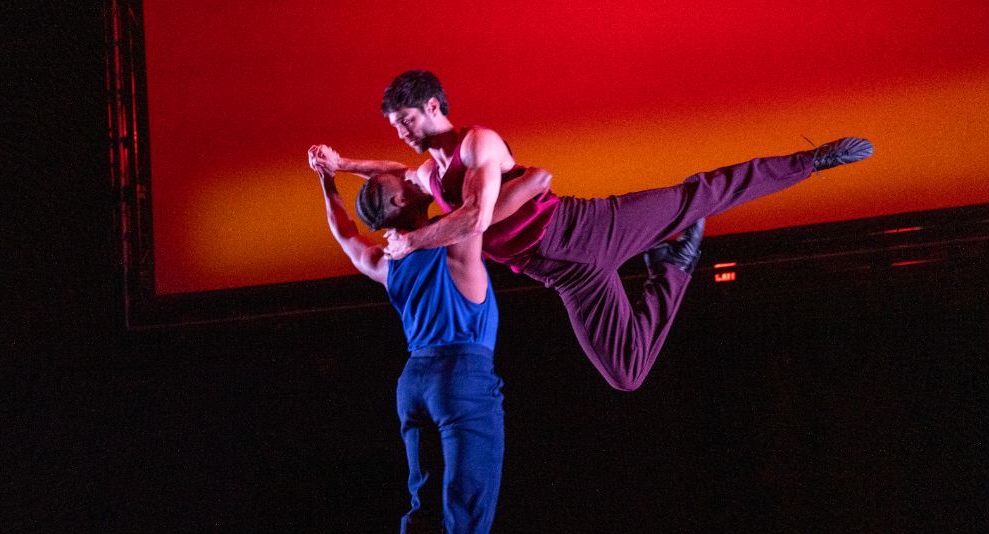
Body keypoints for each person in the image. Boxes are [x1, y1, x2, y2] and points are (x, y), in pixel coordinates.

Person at [311, 70, 874, 391]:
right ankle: (674, 267)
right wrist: (338, 166)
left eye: (406, 121)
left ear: (432, 106)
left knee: (700, 194)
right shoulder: (427, 173)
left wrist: (414, 240)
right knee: (626, 373)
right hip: (561, 275)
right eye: (395, 128)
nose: (403, 134)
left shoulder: (476, 143)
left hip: (585, 231)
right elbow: (387, 173)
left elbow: (478, 218)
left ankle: (813, 161)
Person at [308, 148, 552, 534]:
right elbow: (515, 192)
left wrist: (328, 183)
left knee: (424, 507)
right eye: (401, 180)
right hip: (463, 378)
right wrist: (524, 177)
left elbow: (345, 234)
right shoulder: (458, 236)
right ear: (399, 200)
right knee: (468, 515)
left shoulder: (386, 260)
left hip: (414, 381)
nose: (405, 174)